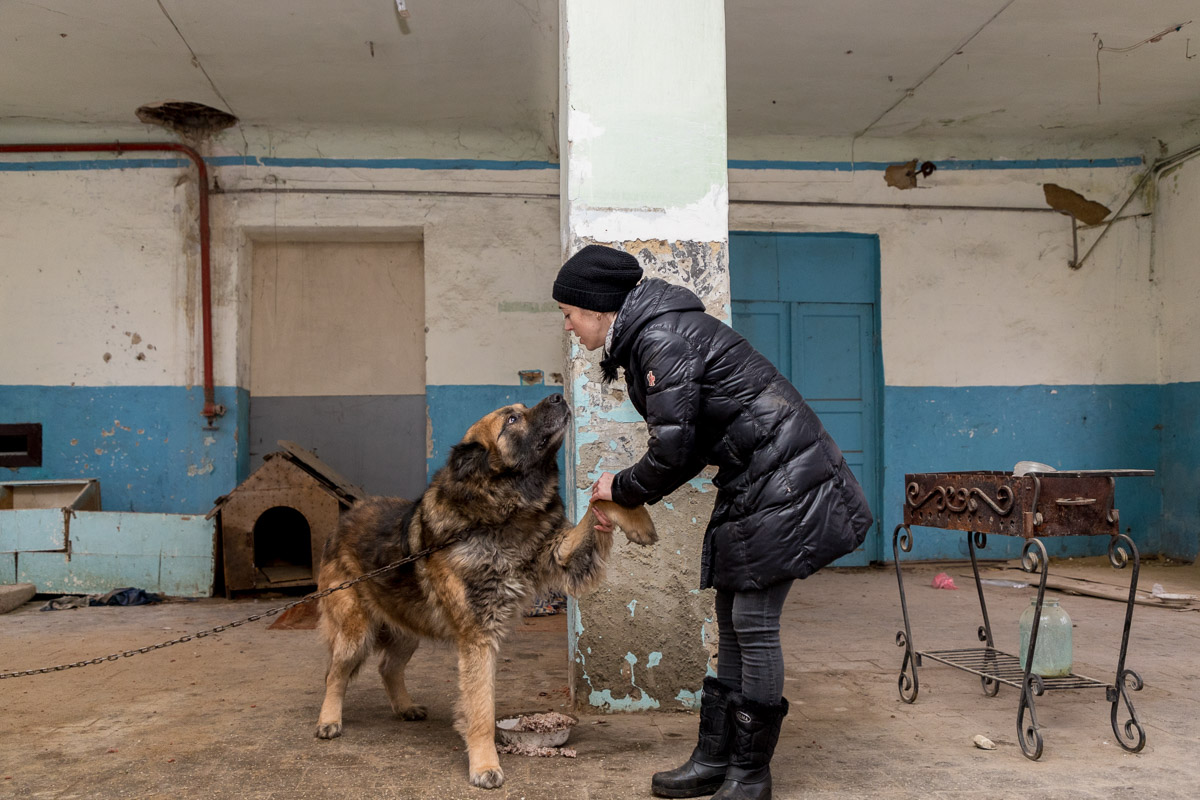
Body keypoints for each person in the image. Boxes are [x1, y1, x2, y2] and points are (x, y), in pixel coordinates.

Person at [553, 244, 873, 800]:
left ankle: (750, 775)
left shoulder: (661, 338)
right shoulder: (651, 335)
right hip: (758, 478)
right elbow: (692, 445)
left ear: (599, 308)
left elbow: (674, 452)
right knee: (731, 619)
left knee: (754, 624)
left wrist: (621, 487)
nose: (568, 325)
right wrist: (622, 495)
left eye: (569, 313)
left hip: (785, 477)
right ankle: (714, 759)